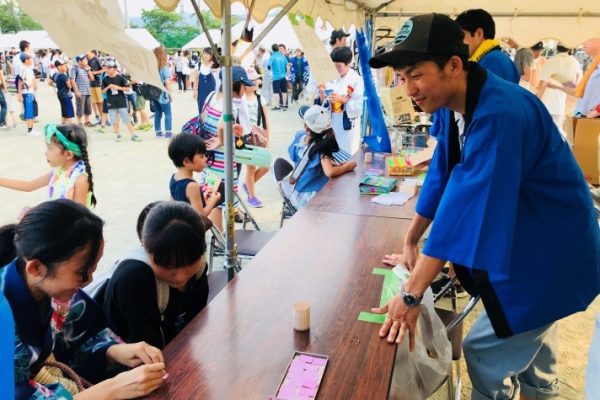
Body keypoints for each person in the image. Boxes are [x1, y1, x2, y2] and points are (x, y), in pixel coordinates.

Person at [368, 13, 600, 400]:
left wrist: (411, 295)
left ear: (454, 66)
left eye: (414, 75)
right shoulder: (449, 102)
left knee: (486, 350)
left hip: (552, 252)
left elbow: (466, 207)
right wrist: (412, 237)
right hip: (533, 240)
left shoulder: (500, 113)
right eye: (401, 78)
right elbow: (444, 171)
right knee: (534, 345)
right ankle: (543, 392)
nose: (408, 89)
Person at [1, 200, 166, 399]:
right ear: (36, 268)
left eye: (93, 269)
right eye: (81, 272)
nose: (89, 280)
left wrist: (114, 350)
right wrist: (111, 390)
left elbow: (84, 334)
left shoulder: (50, 287)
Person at [102, 201, 210, 349]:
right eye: (167, 265)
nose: (180, 277)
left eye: (189, 263)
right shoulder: (133, 278)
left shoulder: (199, 262)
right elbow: (144, 347)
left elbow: (197, 318)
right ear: (146, 248)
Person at [197, 65, 251, 231]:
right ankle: (218, 239)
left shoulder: (212, 96)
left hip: (209, 158)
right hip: (222, 161)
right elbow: (222, 124)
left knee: (212, 198)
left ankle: (217, 238)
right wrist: (221, 139)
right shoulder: (231, 105)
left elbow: (204, 119)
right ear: (236, 85)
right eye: (244, 85)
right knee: (218, 202)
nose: (245, 89)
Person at [0, 124, 97, 207]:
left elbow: (79, 218)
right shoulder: (58, 172)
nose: (46, 153)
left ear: (68, 154)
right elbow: (28, 186)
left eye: (50, 148)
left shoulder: (80, 179)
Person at [281, 105, 357, 209]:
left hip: (297, 194)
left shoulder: (299, 137)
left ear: (306, 127)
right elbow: (329, 172)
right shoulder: (321, 146)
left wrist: (329, 163)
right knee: (344, 203)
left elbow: (306, 161)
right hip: (310, 199)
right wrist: (347, 167)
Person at [315, 47, 364, 155]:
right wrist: (322, 92)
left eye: (339, 66)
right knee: (330, 152)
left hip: (347, 125)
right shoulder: (331, 77)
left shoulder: (356, 80)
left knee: (346, 152)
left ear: (348, 63)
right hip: (331, 123)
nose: (336, 69)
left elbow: (360, 105)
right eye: (334, 66)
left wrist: (342, 100)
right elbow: (324, 103)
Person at [455, 8, 519, 83]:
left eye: (461, 36)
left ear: (479, 33)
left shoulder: (495, 60)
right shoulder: (490, 58)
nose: (458, 42)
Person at [168, 134, 221, 216]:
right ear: (186, 161)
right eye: (202, 156)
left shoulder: (175, 177)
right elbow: (200, 216)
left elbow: (171, 202)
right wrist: (214, 200)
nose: (205, 159)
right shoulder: (192, 186)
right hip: (190, 227)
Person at [537, 44, 582, 136]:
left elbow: (542, 83)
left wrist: (537, 99)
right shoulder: (574, 63)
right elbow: (576, 84)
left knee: (543, 130)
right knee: (558, 131)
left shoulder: (551, 61)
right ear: (569, 48)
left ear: (557, 48)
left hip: (546, 100)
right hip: (562, 102)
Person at [549, 38, 600, 118]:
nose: (583, 43)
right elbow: (579, 92)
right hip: (585, 117)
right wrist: (558, 85)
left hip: (594, 120)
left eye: (588, 38)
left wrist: (597, 111)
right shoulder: (594, 66)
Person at [241, 68, 270, 208]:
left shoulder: (260, 98)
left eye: (256, 80)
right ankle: (252, 196)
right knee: (251, 167)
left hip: (258, 137)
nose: (256, 83)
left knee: (266, 166)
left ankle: (248, 185)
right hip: (244, 138)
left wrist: (267, 139)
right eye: (252, 81)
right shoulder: (239, 99)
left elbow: (265, 121)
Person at [102, 60, 141, 142]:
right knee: (113, 119)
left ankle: (133, 134)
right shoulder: (105, 79)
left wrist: (118, 88)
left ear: (115, 68)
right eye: (107, 68)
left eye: (109, 68)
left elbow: (128, 88)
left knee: (126, 118)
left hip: (121, 100)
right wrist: (108, 87)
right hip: (111, 101)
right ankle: (118, 135)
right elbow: (102, 91)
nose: (108, 69)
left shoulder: (120, 78)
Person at [152, 46, 174, 139]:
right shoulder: (164, 67)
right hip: (163, 93)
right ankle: (168, 133)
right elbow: (167, 81)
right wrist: (170, 94)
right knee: (168, 113)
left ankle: (158, 133)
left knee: (158, 113)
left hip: (153, 93)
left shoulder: (152, 67)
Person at [47, 59, 74, 124]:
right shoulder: (63, 76)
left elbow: (49, 83)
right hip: (66, 95)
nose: (66, 66)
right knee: (68, 112)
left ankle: (63, 125)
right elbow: (70, 86)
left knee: (64, 111)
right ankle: (70, 128)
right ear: (59, 67)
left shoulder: (55, 75)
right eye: (64, 65)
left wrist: (56, 86)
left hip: (59, 94)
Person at [70, 54, 94, 127]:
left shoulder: (86, 69)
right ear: (80, 61)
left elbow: (92, 79)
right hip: (80, 91)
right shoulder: (75, 68)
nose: (87, 61)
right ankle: (79, 122)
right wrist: (76, 91)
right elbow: (72, 80)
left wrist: (88, 70)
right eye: (85, 60)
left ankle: (87, 121)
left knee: (88, 107)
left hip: (87, 91)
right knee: (80, 107)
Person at [19, 53, 39, 136]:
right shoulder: (23, 68)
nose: (32, 60)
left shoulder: (29, 68)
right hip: (26, 93)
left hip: (30, 92)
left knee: (33, 110)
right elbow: (19, 81)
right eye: (30, 59)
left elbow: (32, 78)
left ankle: (31, 129)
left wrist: (34, 85)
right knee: (29, 111)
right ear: (26, 60)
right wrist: (19, 94)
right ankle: (30, 131)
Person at [193, 47, 218, 115]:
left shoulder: (214, 65)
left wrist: (214, 70)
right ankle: (202, 123)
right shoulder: (198, 65)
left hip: (212, 91)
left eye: (208, 54)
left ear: (211, 55)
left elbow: (218, 80)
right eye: (204, 53)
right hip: (201, 91)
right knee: (201, 107)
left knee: (211, 108)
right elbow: (196, 79)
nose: (205, 55)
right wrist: (195, 91)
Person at [268, 43, 289, 111]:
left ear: (272, 49)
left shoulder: (272, 56)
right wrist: (287, 74)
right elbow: (287, 65)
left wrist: (271, 69)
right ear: (278, 48)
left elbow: (269, 66)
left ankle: (277, 106)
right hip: (284, 76)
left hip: (276, 77)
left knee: (276, 92)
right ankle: (284, 106)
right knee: (284, 91)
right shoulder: (283, 56)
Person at [87, 50, 105, 125]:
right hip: (91, 84)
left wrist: (95, 73)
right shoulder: (87, 60)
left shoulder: (97, 59)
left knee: (101, 102)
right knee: (95, 102)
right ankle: (100, 118)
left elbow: (103, 69)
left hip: (98, 83)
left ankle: (105, 119)